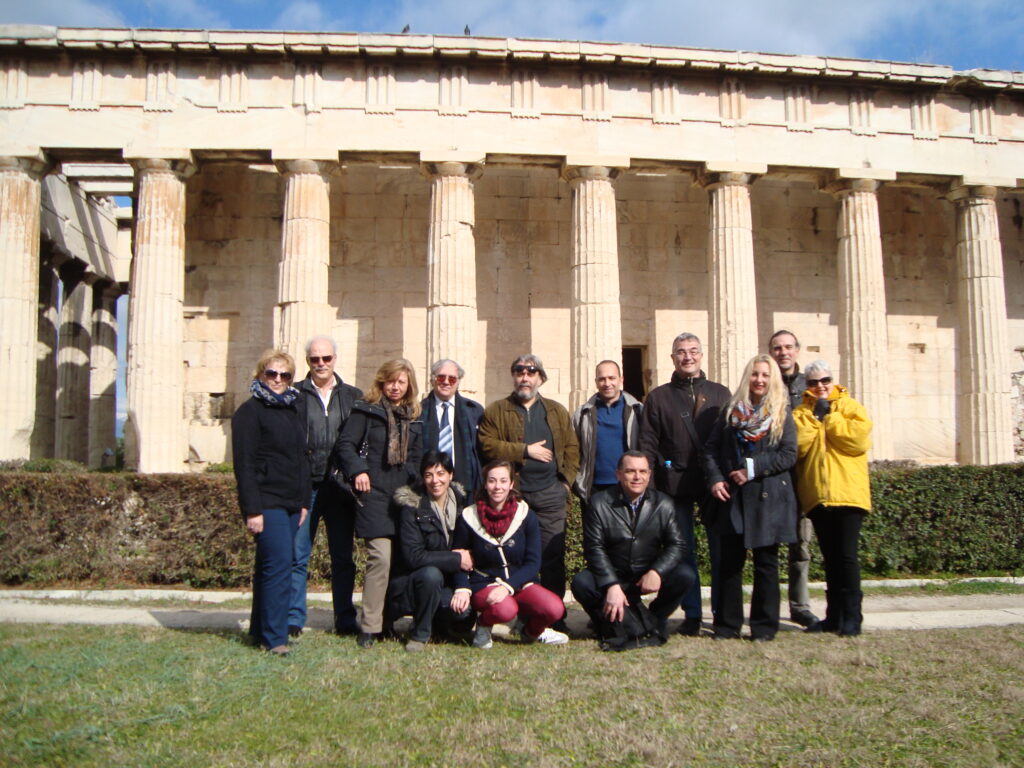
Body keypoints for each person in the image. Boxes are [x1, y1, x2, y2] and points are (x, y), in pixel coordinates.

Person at [638, 333, 730, 636]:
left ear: (701, 355)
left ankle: (722, 613)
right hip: (674, 484)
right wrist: (652, 484)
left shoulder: (720, 394)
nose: (687, 357)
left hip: (715, 484)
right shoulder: (659, 397)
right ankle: (692, 614)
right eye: (681, 352)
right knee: (682, 551)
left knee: (720, 550)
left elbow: (730, 440)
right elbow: (648, 443)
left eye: (693, 351)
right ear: (672, 358)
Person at [704, 354, 798, 642]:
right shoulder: (730, 412)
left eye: (765, 375)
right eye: (755, 374)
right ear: (748, 377)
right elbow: (710, 450)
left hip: (767, 498)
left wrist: (752, 468)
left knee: (766, 565)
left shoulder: (781, 412)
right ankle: (727, 625)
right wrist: (715, 478)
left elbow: (789, 454)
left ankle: (764, 627)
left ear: (773, 380)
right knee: (730, 565)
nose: (759, 380)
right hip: (733, 497)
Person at [477, 354, 579, 615]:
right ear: (513, 376)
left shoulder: (556, 411)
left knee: (552, 555)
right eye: (519, 372)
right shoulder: (497, 410)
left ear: (540, 378)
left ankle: (554, 616)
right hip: (514, 496)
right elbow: (487, 445)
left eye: (531, 372)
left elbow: (571, 448)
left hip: (550, 495)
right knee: (516, 557)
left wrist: (565, 483)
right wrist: (524, 450)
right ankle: (520, 612)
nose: (525, 377)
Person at [336, 358, 423, 648]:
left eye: (401, 382)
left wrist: (417, 486)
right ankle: (370, 626)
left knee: (399, 562)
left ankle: (388, 623)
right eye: (391, 381)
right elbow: (346, 445)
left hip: (404, 497)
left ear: (409, 385)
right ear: (382, 381)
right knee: (381, 559)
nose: (395, 387)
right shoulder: (366, 409)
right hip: (374, 495)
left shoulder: (414, 415)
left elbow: (418, 457)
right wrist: (358, 470)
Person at [571, 451, 694, 651]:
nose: (637, 477)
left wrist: (657, 571)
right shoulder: (599, 503)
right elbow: (594, 548)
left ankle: (655, 618)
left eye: (642, 471)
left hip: (645, 575)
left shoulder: (663, 503)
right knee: (582, 583)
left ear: (649, 475)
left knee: (685, 575)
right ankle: (610, 623)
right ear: (618, 474)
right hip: (615, 573)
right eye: (630, 471)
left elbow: (677, 545)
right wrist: (611, 584)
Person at [231, 350, 310, 655]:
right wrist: (252, 509)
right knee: (279, 566)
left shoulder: (292, 409)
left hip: (290, 501)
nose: (278, 379)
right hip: (266, 501)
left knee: (269, 566)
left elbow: (301, 459)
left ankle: (258, 630)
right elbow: (245, 465)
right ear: (261, 375)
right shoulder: (249, 412)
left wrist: (303, 502)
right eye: (272, 373)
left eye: (284, 375)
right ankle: (276, 638)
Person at [450, 460, 569, 649]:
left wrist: (507, 587)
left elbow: (533, 562)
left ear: (511, 484)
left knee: (555, 609)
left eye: (503, 481)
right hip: (484, 583)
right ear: (485, 484)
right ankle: (483, 624)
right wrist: (461, 587)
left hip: (518, 582)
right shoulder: (468, 517)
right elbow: (458, 557)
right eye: (492, 481)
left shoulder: (526, 515)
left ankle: (531, 632)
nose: (498, 486)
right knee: (506, 610)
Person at [289, 335, 363, 637]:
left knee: (343, 558)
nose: (321, 364)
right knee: (297, 555)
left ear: (335, 359)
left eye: (326, 358)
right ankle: (293, 618)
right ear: (308, 361)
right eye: (315, 359)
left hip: (339, 487)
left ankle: (344, 618)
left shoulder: (353, 396)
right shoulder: (294, 395)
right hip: (305, 486)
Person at [793, 360, 873, 637]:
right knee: (830, 558)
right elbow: (798, 446)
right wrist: (817, 419)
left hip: (848, 494)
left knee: (847, 557)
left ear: (833, 380)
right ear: (807, 385)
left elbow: (858, 441)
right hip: (818, 496)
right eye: (813, 382)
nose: (820, 386)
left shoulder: (850, 407)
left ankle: (853, 617)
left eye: (825, 380)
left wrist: (829, 417)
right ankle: (833, 616)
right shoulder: (801, 412)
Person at [390, 450, 475, 652]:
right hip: (413, 581)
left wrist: (462, 586)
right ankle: (419, 634)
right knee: (431, 575)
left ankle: (438, 624)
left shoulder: (461, 503)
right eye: (428, 475)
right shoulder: (412, 507)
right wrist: (456, 559)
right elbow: (414, 557)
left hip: (448, 579)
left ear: (451, 475)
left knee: (464, 616)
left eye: (440, 473)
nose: (435, 481)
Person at [767, 329, 819, 628]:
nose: (783, 352)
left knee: (801, 544)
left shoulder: (810, 385)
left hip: (803, 474)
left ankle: (800, 606)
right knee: (770, 545)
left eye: (788, 347)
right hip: (774, 473)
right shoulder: (763, 384)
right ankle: (769, 608)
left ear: (797, 350)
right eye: (777, 348)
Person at [572, 360, 643, 505]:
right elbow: (573, 449)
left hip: (629, 485)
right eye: (602, 379)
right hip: (593, 487)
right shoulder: (583, 413)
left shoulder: (638, 410)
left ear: (621, 380)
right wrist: (576, 481)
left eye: (611, 378)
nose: (607, 383)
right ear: (596, 382)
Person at [418, 359, 484, 494]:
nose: (446, 382)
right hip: (429, 485)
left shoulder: (474, 411)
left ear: (458, 382)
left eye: (452, 379)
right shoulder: (418, 411)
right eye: (441, 377)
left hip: (466, 484)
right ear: (432, 380)